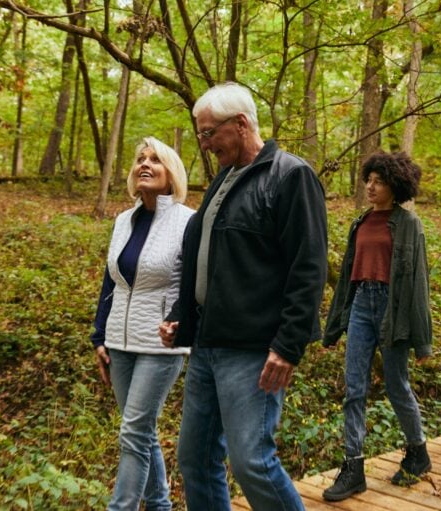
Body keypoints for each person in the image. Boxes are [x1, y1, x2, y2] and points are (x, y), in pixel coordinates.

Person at [158, 82, 328, 511]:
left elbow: (308, 268)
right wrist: (183, 314)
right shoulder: (224, 180)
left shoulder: (290, 175)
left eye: (209, 132)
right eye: (201, 133)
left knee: (252, 460)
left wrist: (288, 346)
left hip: (253, 350)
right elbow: (208, 257)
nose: (204, 142)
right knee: (195, 458)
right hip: (208, 345)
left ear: (241, 123)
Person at [90, 137, 194, 511]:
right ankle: (160, 505)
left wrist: (177, 321)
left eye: (156, 160)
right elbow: (110, 280)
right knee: (141, 430)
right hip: (119, 340)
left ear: (172, 174)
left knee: (133, 429)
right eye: (140, 159)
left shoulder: (187, 220)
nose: (145, 165)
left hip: (160, 343)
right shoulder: (123, 220)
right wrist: (99, 335)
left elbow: (194, 283)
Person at [321, 152, 432, 500]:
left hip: (392, 308)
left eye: (378, 181)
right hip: (361, 306)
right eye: (368, 179)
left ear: (395, 185)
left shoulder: (408, 224)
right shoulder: (360, 222)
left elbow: (418, 283)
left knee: (397, 384)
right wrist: (337, 320)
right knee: (354, 387)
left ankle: (418, 451)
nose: (370, 186)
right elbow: (347, 280)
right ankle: (353, 466)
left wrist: (422, 341)